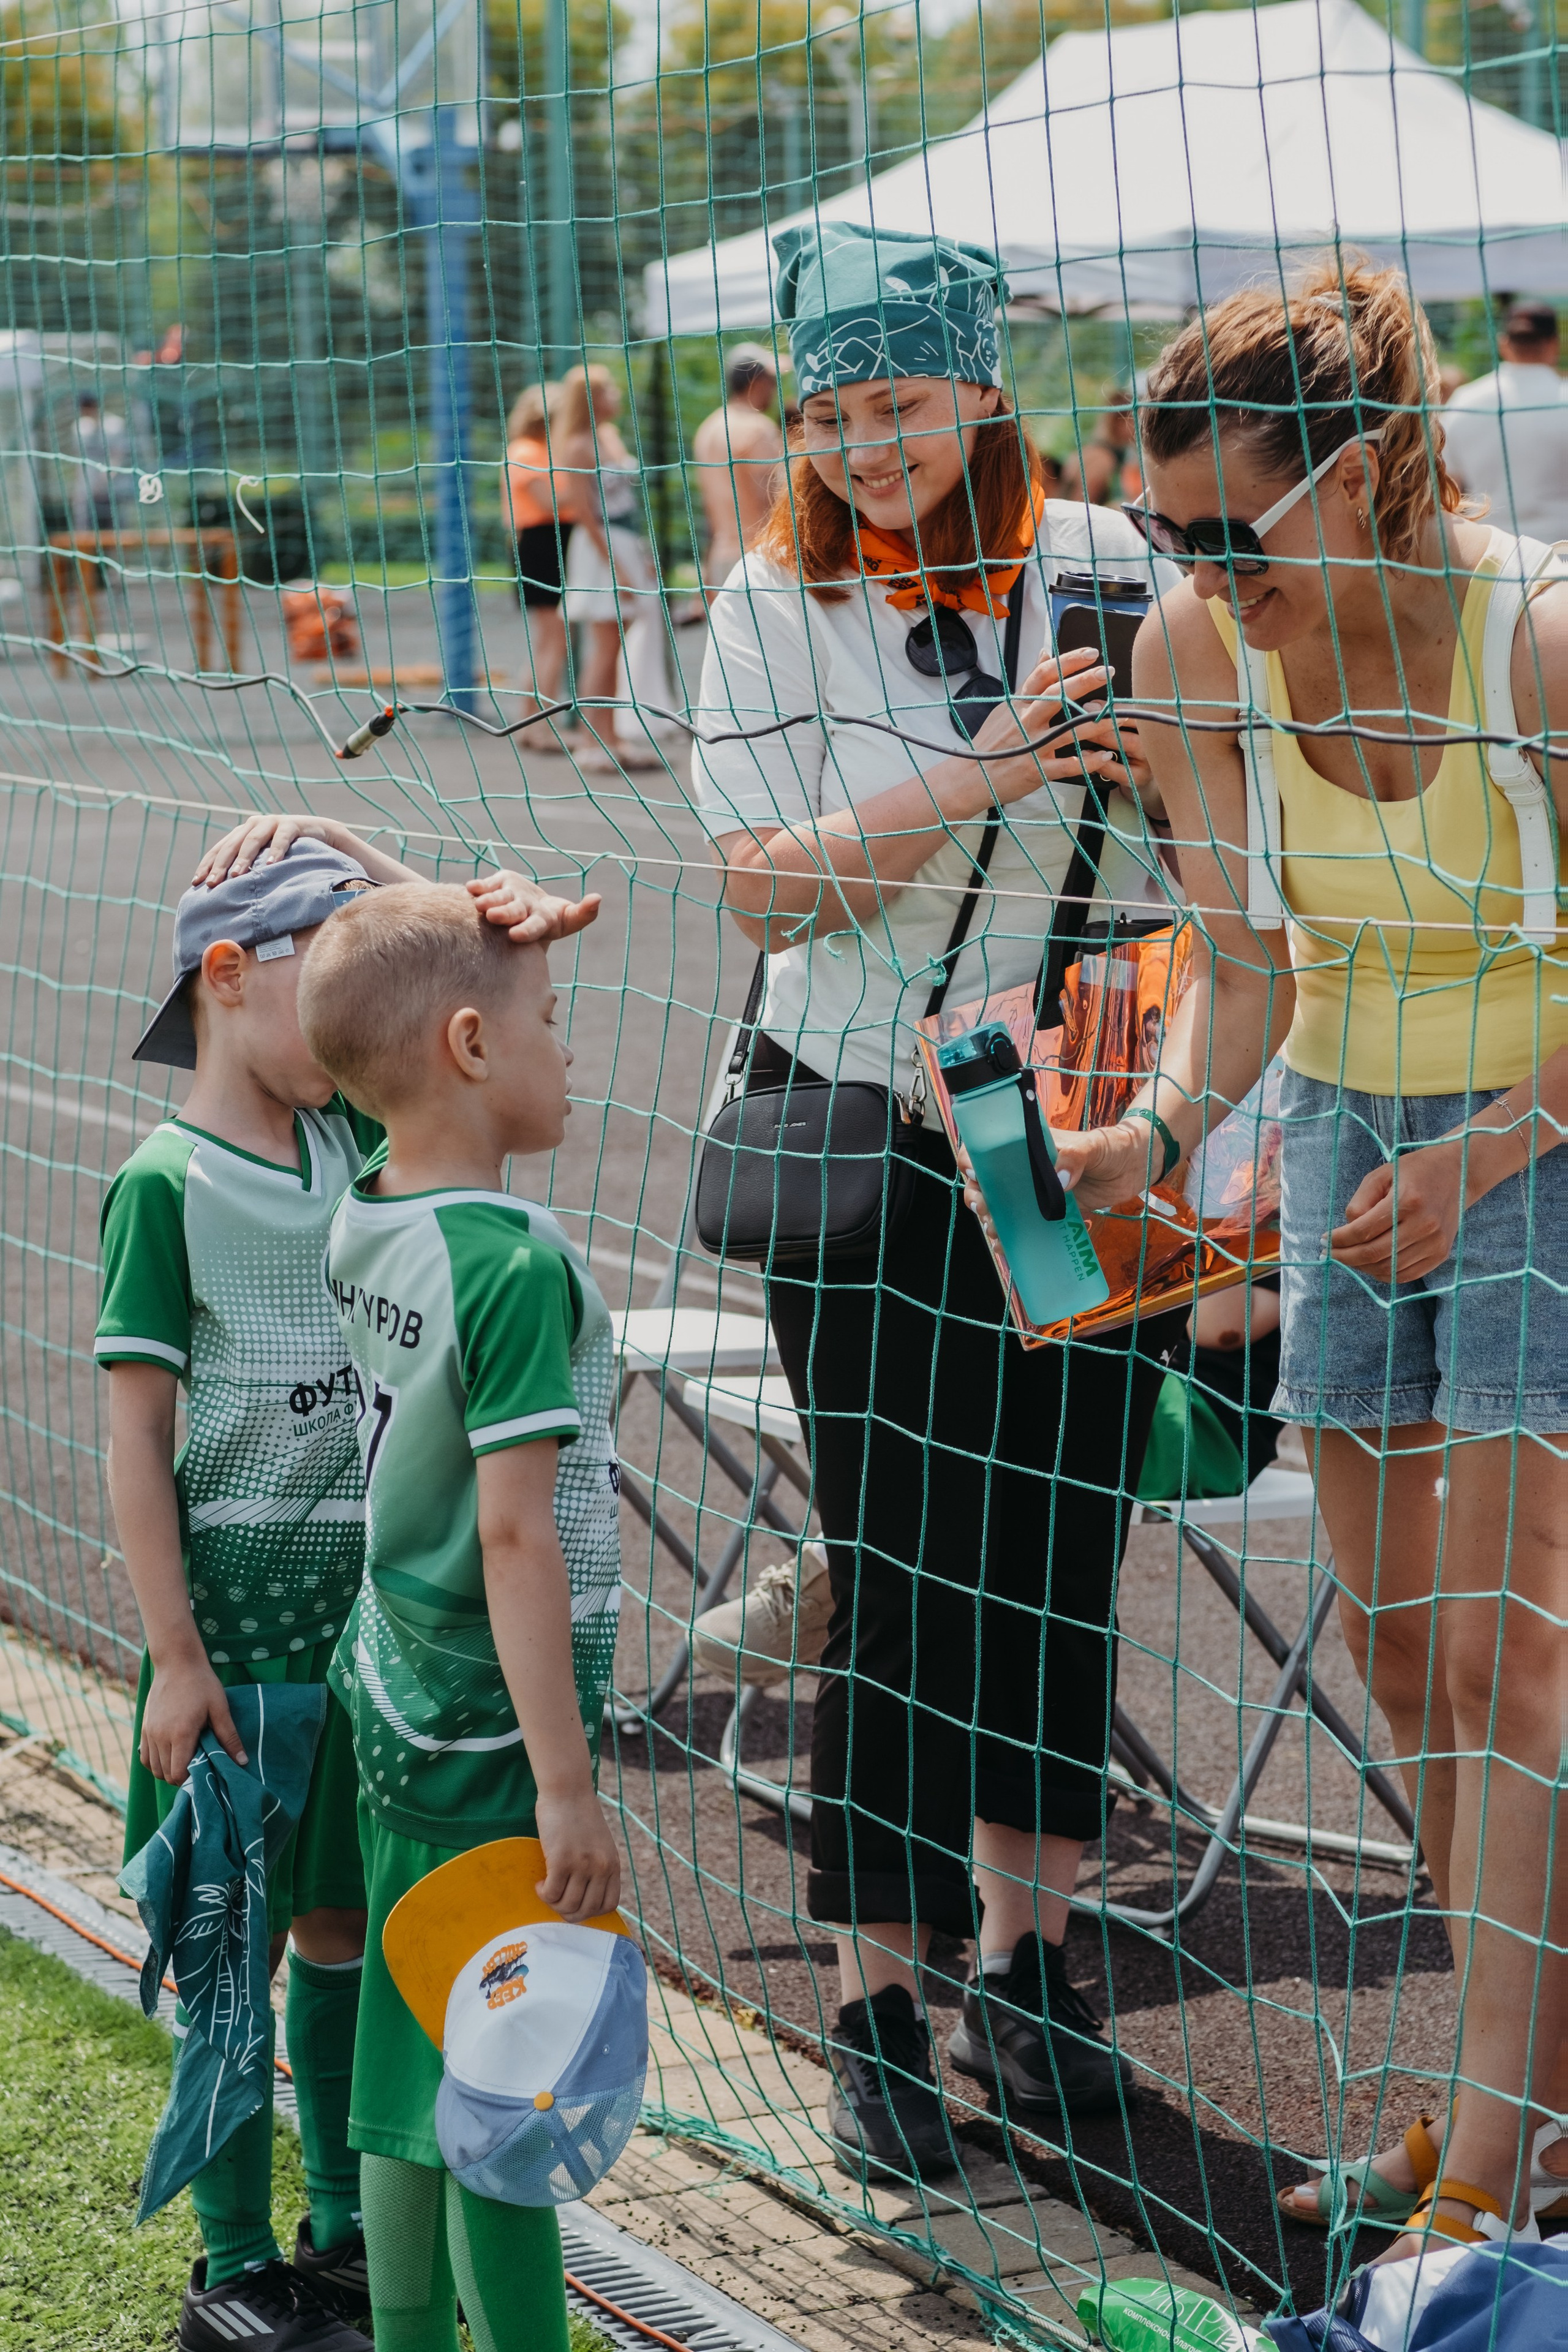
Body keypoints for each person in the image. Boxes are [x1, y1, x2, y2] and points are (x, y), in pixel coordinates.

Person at [1065, 258, 1566, 2256]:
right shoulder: (1201, 650)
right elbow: (1249, 969)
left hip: (1542, 1126)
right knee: (1397, 1646)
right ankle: (1523, 2094)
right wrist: (1158, 1130)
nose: (1197, 568)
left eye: (1229, 526)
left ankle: (1492, 2152)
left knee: (1511, 1651)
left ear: (1359, 475)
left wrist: (1490, 1154)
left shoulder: (1537, 641)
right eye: (1167, 529)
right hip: (1351, 1124)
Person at [692, 219, 1183, 2185]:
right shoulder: (773, 595)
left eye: (895, 400)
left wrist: (1160, 771)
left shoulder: (1121, 564)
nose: (860, 444)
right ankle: (876, 2002)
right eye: (829, 410)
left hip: (1070, 1121)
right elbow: (761, 883)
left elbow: (1205, 839)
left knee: (1059, 1546)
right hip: (869, 1127)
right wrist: (977, 776)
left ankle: (1032, 1964)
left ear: (984, 386)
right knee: (900, 1567)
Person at [99, 816, 595, 2352]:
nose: (328, 996)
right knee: (230, 1956)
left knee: (342, 1935)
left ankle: (342, 2236)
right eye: (303, 958)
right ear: (226, 976)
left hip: (361, 1641)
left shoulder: (353, 1158)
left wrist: (340, 843)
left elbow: (410, 987)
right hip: (237, 1648)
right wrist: (176, 1653)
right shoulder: (166, 1182)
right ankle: (235, 2265)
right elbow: (135, 1433)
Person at [296, 882, 624, 2352]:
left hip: (393, 1687)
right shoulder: (511, 1263)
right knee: (507, 2070)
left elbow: (382, 1000)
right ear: (474, 1045)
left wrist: (471, 926)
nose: (571, 1046)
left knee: (405, 2043)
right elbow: (513, 1531)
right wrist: (564, 1782)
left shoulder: (369, 1199)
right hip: (493, 1721)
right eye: (550, 1019)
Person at [556, 363, 663, 767]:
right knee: (604, 646)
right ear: (591, 399)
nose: (616, 396)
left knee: (617, 644)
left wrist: (641, 554)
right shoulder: (578, 447)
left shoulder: (610, 437)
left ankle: (612, 737)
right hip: (600, 546)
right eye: (609, 390)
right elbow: (585, 514)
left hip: (625, 540)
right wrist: (616, 567)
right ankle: (591, 742)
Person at [1442, 303, 1568, 546]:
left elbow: (1448, 490)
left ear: (1504, 344)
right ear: (1554, 345)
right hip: (1562, 551)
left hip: (1490, 551)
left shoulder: (1465, 401)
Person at [693, 343, 786, 603]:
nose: (775, 390)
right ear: (758, 382)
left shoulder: (709, 428)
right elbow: (772, 498)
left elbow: (709, 508)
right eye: (773, 382)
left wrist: (707, 569)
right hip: (759, 556)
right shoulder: (758, 428)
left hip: (722, 557)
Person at [502, 380, 571, 715]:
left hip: (556, 541)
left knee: (551, 639)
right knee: (554, 638)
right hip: (540, 544)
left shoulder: (550, 451)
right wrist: (588, 488)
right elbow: (548, 503)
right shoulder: (525, 451)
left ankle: (531, 719)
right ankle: (540, 723)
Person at [1060, 387, 1140, 508]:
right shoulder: (1103, 459)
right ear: (1118, 421)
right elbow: (1082, 507)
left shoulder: (1089, 451)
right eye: (1134, 420)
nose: (1138, 427)